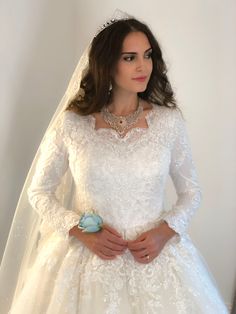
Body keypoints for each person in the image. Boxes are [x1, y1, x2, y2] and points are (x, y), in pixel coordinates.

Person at [0, 9, 229, 314]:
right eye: (129, 57)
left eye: (147, 55)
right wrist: (80, 230)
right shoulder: (73, 124)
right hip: (84, 265)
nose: (143, 66)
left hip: (155, 259)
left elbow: (192, 193)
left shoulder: (168, 123)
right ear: (107, 64)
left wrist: (164, 233)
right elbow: (38, 191)